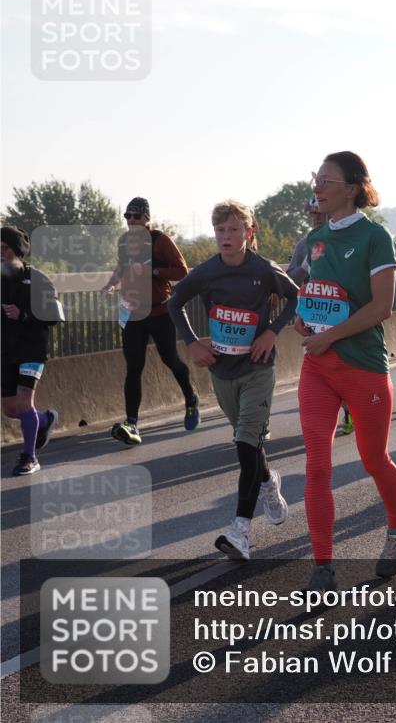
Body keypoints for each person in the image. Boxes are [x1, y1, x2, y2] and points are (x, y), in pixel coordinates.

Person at [296, 151, 396, 592]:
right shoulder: (316, 238)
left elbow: (382, 307)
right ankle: (323, 567)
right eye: (316, 180)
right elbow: (315, 294)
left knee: (373, 459)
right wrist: (304, 321)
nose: (317, 188)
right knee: (316, 468)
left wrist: (332, 335)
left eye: (326, 181)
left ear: (351, 188)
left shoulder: (375, 237)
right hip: (318, 368)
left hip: (362, 365)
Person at [168, 200, 297, 559]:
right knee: (250, 443)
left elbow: (296, 298)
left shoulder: (264, 269)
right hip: (222, 371)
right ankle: (269, 482)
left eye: (233, 230)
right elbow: (173, 303)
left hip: (257, 369)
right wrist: (192, 343)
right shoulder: (207, 272)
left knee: (244, 443)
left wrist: (271, 332)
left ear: (249, 232)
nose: (226, 237)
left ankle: (240, 530)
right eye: (220, 230)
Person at [100, 198, 199, 445]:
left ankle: (191, 398)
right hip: (133, 314)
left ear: (146, 218)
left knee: (170, 359)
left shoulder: (160, 240)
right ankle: (131, 422)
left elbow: (182, 271)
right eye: (127, 216)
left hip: (160, 312)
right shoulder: (124, 242)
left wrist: (154, 271)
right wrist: (111, 284)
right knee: (134, 367)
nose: (131, 220)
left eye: (135, 216)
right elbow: (122, 268)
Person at [1, 226, 64, 475]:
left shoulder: (37, 279)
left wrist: (24, 315)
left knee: (25, 402)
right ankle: (46, 420)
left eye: (4, 249)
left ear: (17, 252)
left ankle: (30, 457)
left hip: (31, 349)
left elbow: (55, 315)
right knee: (11, 409)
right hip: (5, 351)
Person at [289, 196, 353, 436]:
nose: (316, 216)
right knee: (318, 370)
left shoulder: (343, 239)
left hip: (340, 316)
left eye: (319, 212)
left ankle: (349, 411)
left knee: (341, 368)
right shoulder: (304, 243)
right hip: (312, 316)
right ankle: (323, 421)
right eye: (313, 213)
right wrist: (304, 267)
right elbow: (290, 279)